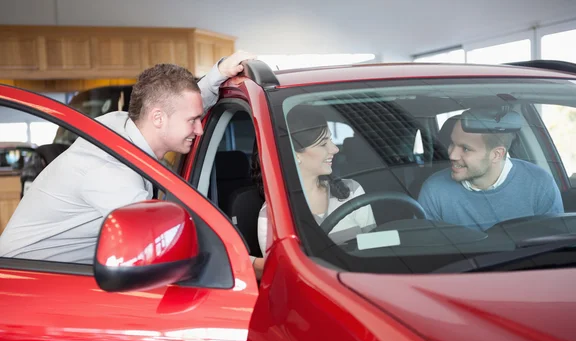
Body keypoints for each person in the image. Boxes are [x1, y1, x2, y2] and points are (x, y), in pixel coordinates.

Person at [0, 51, 256, 263]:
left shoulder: (121, 124)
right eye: (193, 121)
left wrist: (218, 74)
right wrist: (252, 263)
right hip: (32, 277)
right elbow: (166, 247)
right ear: (157, 118)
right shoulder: (111, 172)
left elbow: (177, 105)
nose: (199, 129)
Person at [251, 105, 376, 278]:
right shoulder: (272, 214)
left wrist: (399, 236)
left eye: (331, 140)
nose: (335, 149)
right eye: (324, 143)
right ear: (296, 155)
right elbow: (285, 274)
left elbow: (375, 246)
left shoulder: (352, 190)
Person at [418, 109, 564, 231]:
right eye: (452, 143)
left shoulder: (540, 184)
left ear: (496, 154)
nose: (452, 154)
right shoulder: (434, 190)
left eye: (465, 149)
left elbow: (554, 246)